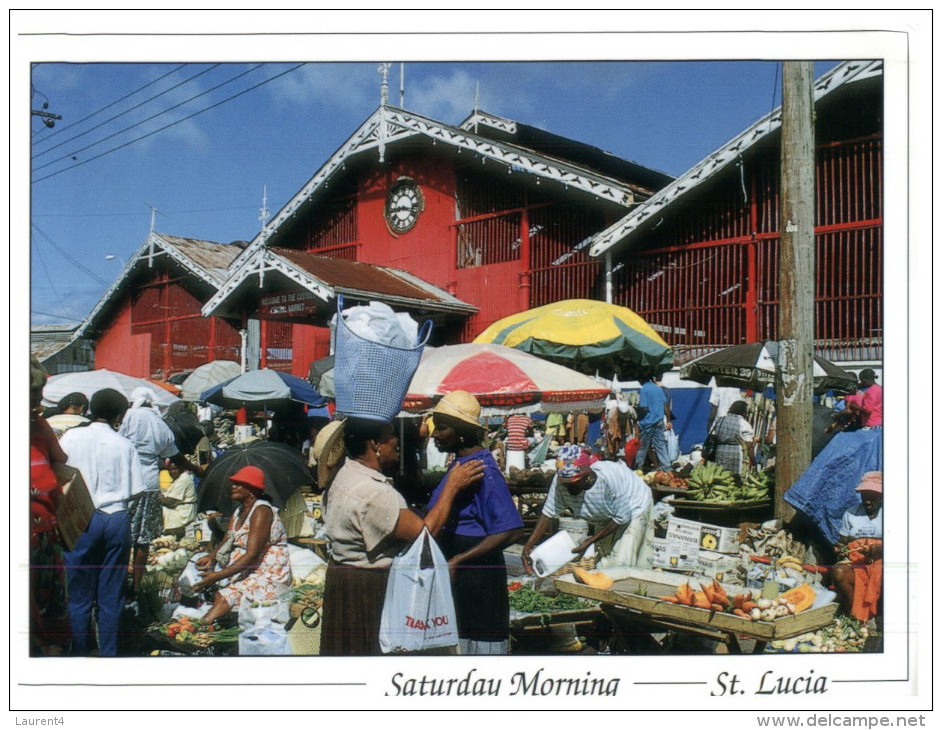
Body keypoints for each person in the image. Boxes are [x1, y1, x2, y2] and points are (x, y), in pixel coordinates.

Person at [319, 416, 484, 656]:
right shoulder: (375, 493)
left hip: (345, 583)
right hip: (369, 590)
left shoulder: (345, 476)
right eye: (390, 435)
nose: (397, 440)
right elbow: (424, 536)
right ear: (375, 444)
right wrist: (452, 487)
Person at [425, 391, 525, 655]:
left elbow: (512, 529)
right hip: (460, 573)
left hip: (478, 578)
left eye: (442, 428)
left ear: (461, 433)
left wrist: (460, 559)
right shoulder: (461, 465)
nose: (434, 434)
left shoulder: (483, 471)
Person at [59, 388, 147, 656]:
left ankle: (81, 652)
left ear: (90, 409)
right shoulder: (124, 444)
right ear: (119, 416)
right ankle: (108, 654)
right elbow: (136, 490)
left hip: (82, 516)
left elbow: (60, 472)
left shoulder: (71, 438)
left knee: (79, 595)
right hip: (116, 518)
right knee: (111, 594)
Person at [119, 386, 202, 596]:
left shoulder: (129, 417)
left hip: (125, 482)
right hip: (149, 484)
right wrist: (197, 470)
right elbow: (175, 456)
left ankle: (119, 583)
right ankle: (136, 587)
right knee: (143, 539)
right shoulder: (159, 422)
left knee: (122, 536)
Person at [522, 445, 654, 573]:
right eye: (565, 484)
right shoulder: (561, 480)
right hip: (606, 514)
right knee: (604, 562)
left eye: (573, 484)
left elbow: (622, 517)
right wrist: (528, 546)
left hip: (634, 505)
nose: (568, 489)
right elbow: (548, 513)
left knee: (622, 560)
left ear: (587, 476)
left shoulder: (607, 480)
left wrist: (590, 541)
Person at [194, 466, 293, 624]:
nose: (233, 487)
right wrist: (211, 558)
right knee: (215, 590)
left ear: (252, 489)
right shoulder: (239, 511)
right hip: (248, 568)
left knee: (225, 596)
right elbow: (228, 539)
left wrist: (217, 576)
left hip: (267, 572)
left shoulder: (261, 511)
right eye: (233, 483)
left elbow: (252, 554)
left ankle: (200, 626)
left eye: (239, 484)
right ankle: (205, 623)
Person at [29, 356, 71, 655]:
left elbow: (61, 459)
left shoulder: (39, 425)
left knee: (44, 601)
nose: (35, 402)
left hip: (44, 530)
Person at [831, 471, 883, 622]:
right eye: (864, 495)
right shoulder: (851, 514)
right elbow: (843, 542)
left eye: (872, 496)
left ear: (881, 495)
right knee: (839, 572)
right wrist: (839, 548)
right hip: (857, 562)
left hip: (881, 563)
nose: (867, 500)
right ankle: (855, 617)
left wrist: (879, 549)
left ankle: (879, 617)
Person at [634, 370, 671, 471]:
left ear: (641, 379)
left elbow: (644, 408)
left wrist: (636, 416)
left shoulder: (644, 390)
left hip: (648, 423)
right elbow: (665, 406)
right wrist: (668, 420)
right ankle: (667, 467)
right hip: (659, 421)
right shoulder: (658, 389)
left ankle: (638, 468)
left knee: (642, 447)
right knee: (660, 445)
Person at [709, 400, 756, 475]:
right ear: (744, 412)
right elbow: (749, 446)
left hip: (720, 452)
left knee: (720, 477)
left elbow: (713, 435)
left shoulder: (720, 419)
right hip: (736, 454)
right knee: (735, 478)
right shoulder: (744, 424)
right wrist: (753, 461)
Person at [161, 458, 198, 538]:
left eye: (175, 469)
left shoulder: (183, 479)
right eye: (170, 470)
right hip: (179, 509)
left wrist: (157, 497)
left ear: (181, 468)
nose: (172, 472)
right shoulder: (177, 479)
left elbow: (169, 501)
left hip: (184, 513)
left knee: (159, 510)